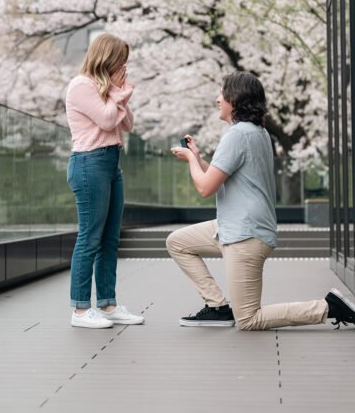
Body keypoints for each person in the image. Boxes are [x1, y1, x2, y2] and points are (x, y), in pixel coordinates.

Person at [168, 71, 355, 329]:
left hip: (245, 235)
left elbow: (205, 188)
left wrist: (190, 160)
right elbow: (220, 176)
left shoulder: (237, 135)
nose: (217, 99)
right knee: (177, 242)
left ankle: (328, 307)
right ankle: (218, 307)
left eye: (221, 93)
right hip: (234, 226)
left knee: (248, 319)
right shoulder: (257, 132)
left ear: (235, 98)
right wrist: (198, 158)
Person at [65, 33, 144, 329]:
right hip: (89, 163)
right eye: (121, 60)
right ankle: (80, 309)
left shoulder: (108, 89)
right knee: (90, 237)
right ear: (107, 58)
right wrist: (118, 94)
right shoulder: (81, 86)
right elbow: (108, 120)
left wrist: (118, 92)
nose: (124, 67)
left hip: (111, 163)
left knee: (110, 238)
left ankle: (108, 304)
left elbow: (128, 123)